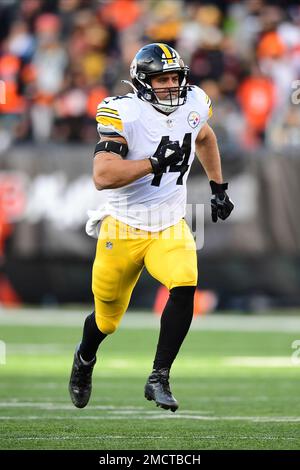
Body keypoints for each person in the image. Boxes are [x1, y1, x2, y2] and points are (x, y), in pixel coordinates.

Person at [69, 43, 234, 412]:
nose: (171, 85)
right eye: (162, 79)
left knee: (185, 281)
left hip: (169, 225)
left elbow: (204, 137)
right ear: (143, 82)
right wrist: (152, 163)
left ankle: (159, 376)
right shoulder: (124, 112)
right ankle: (84, 357)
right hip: (123, 228)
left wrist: (217, 186)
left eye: (176, 77)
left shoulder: (193, 103)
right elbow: (103, 175)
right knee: (107, 318)